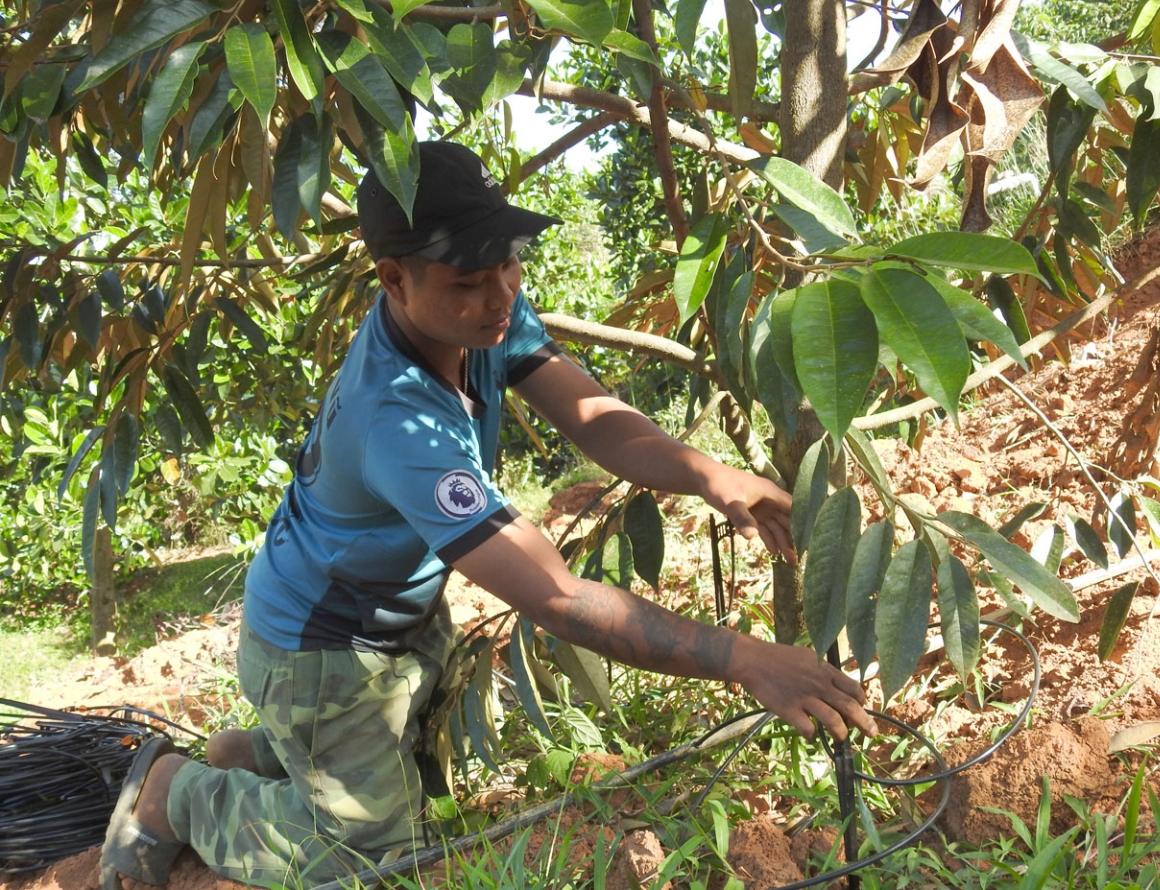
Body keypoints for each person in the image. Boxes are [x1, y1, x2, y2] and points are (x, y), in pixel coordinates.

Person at [99, 141, 876, 890]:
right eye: (470, 278)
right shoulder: (398, 422)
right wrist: (743, 657)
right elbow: (555, 597)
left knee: (408, 779)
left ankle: (265, 755)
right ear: (394, 278)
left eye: (507, 262)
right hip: (323, 646)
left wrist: (711, 475)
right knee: (369, 861)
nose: (500, 292)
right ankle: (179, 793)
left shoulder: (478, 319)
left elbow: (595, 418)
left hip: (388, 608)